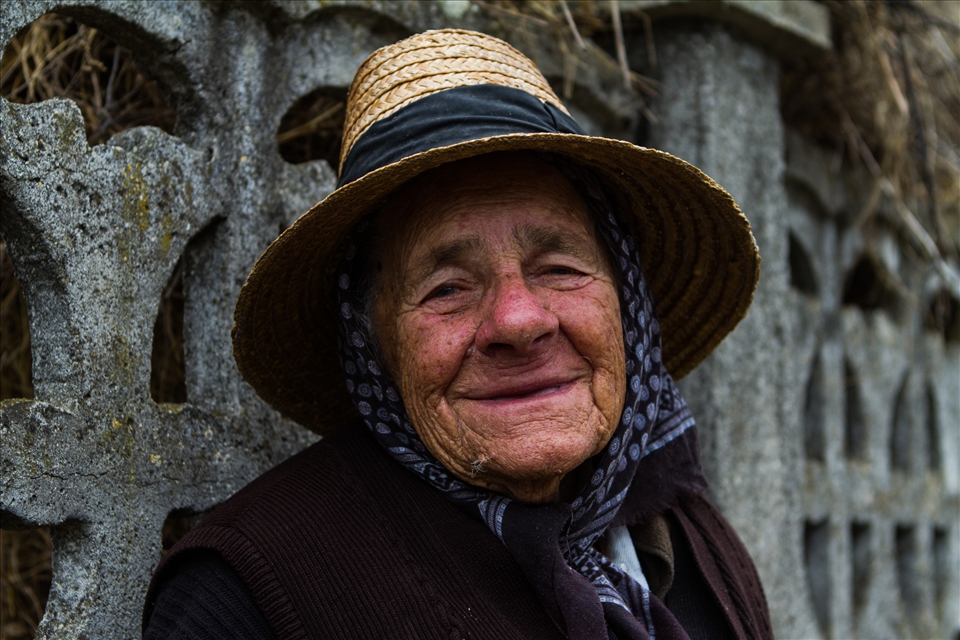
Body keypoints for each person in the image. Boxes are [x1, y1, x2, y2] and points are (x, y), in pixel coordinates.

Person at [143, 29, 771, 640]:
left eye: (560, 268)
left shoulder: (690, 534)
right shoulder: (249, 599)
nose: (520, 322)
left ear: (624, 302)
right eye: (447, 288)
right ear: (373, 344)